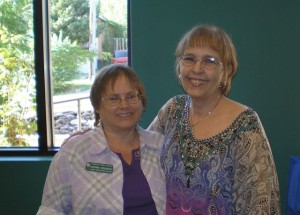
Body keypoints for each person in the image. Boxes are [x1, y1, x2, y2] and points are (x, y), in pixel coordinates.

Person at [147, 24, 281, 214]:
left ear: (226, 70)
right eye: (189, 58)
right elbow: (140, 154)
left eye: (209, 61)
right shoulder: (172, 110)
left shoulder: (245, 125)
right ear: (179, 66)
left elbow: (261, 204)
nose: (197, 69)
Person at [37, 64, 166, 215]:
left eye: (131, 96)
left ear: (141, 101)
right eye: (113, 98)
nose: (124, 105)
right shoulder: (73, 153)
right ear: (97, 105)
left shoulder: (161, 146)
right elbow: (51, 210)